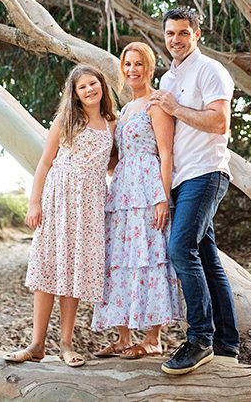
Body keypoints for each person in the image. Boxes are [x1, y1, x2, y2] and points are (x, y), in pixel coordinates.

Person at [5, 64, 116, 368]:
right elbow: (44, 163)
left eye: (94, 84)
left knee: (76, 273)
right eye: (83, 87)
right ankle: (37, 344)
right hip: (58, 197)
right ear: (75, 93)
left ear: (102, 86)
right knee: (48, 271)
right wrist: (34, 203)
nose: (90, 90)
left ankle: (66, 344)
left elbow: (113, 163)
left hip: (90, 203)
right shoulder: (66, 120)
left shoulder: (111, 123)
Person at [148, 7, 239, 375]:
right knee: (208, 259)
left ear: (196, 34)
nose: (175, 39)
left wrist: (176, 108)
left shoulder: (210, 70)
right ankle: (227, 344)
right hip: (182, 179)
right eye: (170, 33)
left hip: (206, 173)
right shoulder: (169, 79)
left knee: (179, 249)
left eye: (183, 33)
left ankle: (200, 338)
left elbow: (219, 122)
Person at [91, 42, 183, 359]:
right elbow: (117, 158)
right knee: (120, 258)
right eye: (127, 64)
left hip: (148, 188)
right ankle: (123, 335)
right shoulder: (126, 109)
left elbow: (166, 152)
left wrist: (162, 197)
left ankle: (153, 338)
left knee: (150, 257)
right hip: (123, 191)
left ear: (149, 67)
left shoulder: (155, 104)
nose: (132, 70)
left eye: (138, 64)